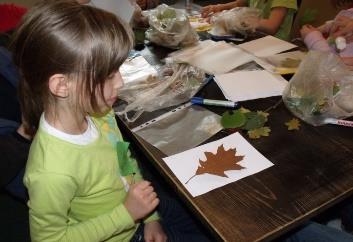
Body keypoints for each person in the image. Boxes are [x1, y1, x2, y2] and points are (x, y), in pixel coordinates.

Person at [12, 1, 210, 241]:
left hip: (139, 211)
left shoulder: (100, 113)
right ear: (62, 86)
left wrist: (150, 218)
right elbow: (50, 239)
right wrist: (127, 214)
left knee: (208, 217)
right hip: (118, 231)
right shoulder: (51, 171)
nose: (120, 83)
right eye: (108, 75)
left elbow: (123, 161)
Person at [201, 0, 298, 40]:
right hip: (254, 37)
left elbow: (271, 26)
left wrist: (235, 18)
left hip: (275, 44)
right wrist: (219, 7)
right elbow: (240, 3)